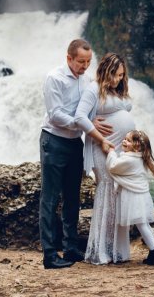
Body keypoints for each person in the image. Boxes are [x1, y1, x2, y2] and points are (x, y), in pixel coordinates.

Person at [39, 39, 112, 269]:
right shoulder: (54, 78)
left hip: (74, 144)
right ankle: (50, 255)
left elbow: (89, 111)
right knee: (50, 200)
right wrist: (84, 124)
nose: (85, 66)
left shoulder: (87, 80)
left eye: (89, 62)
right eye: (81, 61)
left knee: (73, 197)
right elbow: (55, 115)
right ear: (69, 58)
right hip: (54, 141)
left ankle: (70, 248)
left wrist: (92, 122)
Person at [74, 52, 134, 264]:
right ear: (106, 70)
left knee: (118, 193)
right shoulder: (93, 88)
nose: (118, 79)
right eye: (116, 75)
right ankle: (100, 250)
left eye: (121, 76)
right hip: (103, 147)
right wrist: (100, 138)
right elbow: (80, 116)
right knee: (107, 190)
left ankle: (117, 250)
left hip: (119, 148)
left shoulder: (116, 90)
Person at [106, 130, 154, 265]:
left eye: (128, 140)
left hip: (133, 198)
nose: (124, 141)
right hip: (141, 197)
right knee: (144, 224)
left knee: (142, 225)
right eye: (124, 138)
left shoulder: (129, 160)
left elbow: (112, 167)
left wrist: (111, 152)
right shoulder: (140, 158)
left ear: (137, 146)